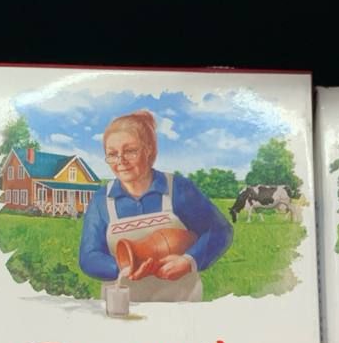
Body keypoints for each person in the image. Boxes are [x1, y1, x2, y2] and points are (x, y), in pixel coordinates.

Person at [79, 109, 232, 303]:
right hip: (124, 305)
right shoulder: (102, 199)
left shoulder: (178, 189)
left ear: (149, 149)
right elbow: (88, 256)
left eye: (130, 151)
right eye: (112, 154)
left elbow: (219, 230)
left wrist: (188, 261)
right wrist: (125, 267)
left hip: (180, 305)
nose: (121, 161)